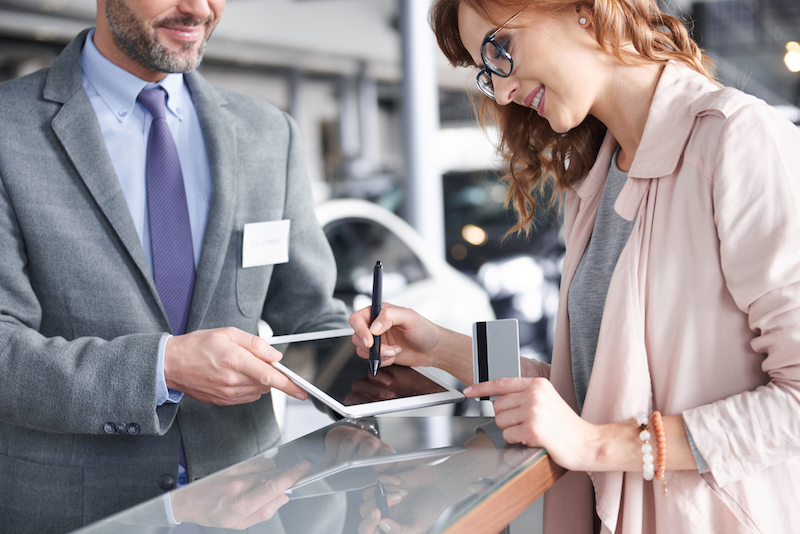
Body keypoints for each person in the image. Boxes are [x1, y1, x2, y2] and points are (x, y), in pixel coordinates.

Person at [350, 0, 800, 532]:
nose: (500, 91)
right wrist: (441, 349)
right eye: (485, 71)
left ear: (585, 10)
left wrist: (593, 443)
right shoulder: (595, 181)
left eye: (500, 49)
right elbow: (591, 396)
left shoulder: (736, 139)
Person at [0, 0, 347, 531]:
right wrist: (164, 368)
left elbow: (308, 317)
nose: (197, 8)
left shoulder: (268, 134)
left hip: (251, 502)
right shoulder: (8, 130)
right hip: (76, 513)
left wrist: (369, 362)